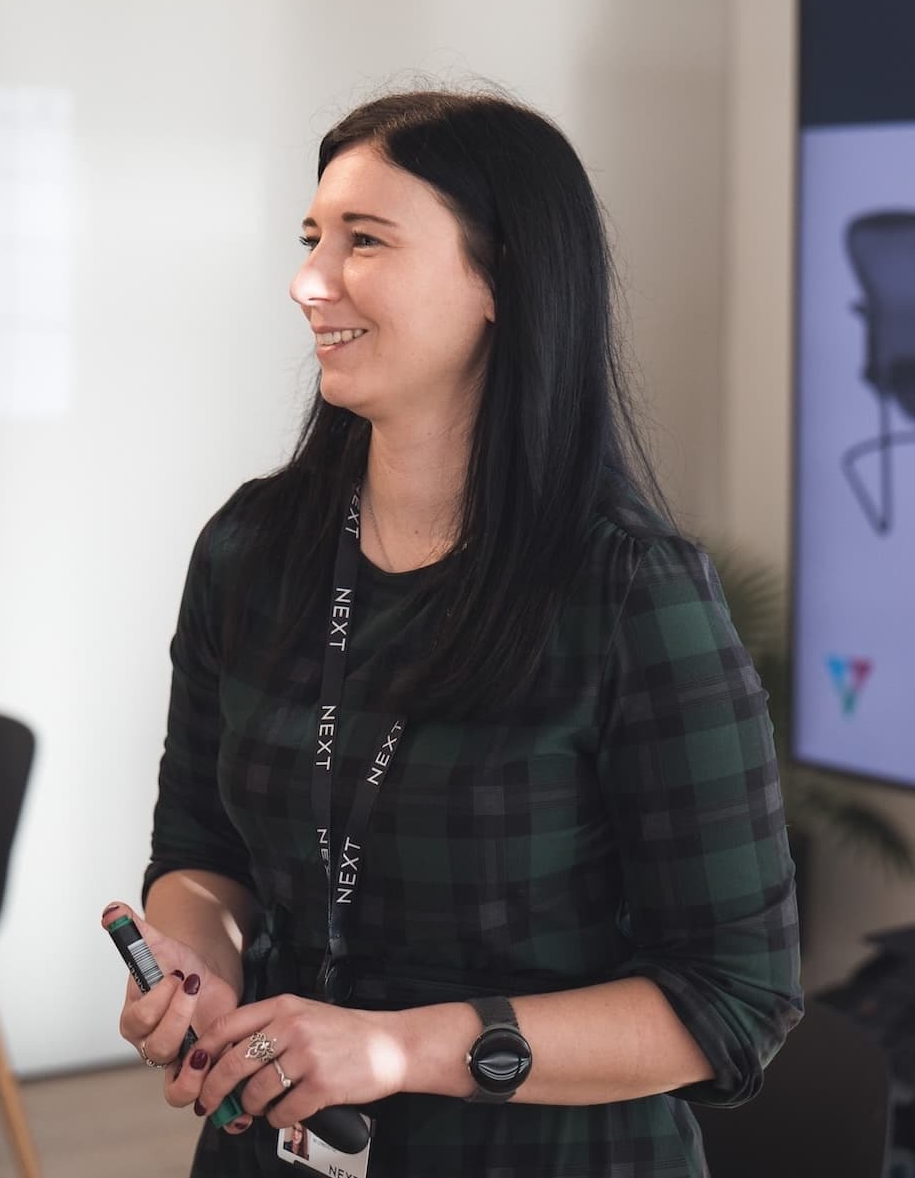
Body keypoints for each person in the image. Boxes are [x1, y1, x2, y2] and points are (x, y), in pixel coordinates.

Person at [102, 89, 802, 1178]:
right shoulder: (250, 550)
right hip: (275, 1149)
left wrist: (393, 1048)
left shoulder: (628, 594)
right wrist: (196, 956)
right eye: (310, 239)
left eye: (364, 241)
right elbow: (202, 848)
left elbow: (732, 997)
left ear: (499, 276)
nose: (308, 282)